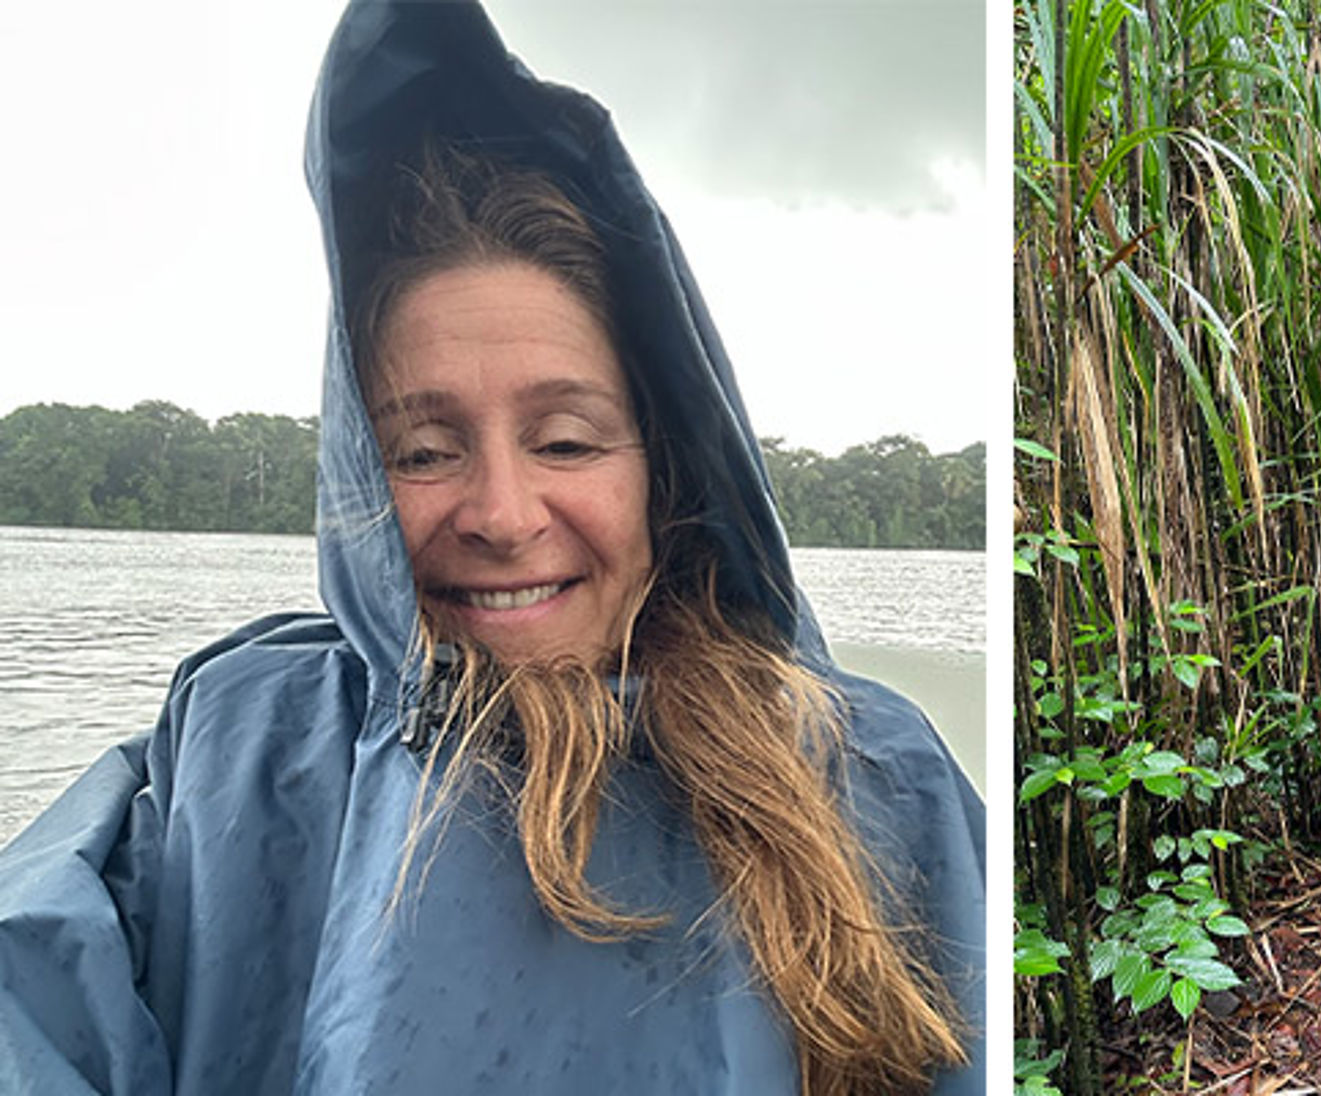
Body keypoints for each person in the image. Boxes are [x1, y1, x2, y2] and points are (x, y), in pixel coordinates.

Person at [0, 3, 982, 1094]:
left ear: (661, 466)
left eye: (564, 439)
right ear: (357, 481)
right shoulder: (237, 747)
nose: (503, 513)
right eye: (422, 451)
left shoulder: (868, 772)